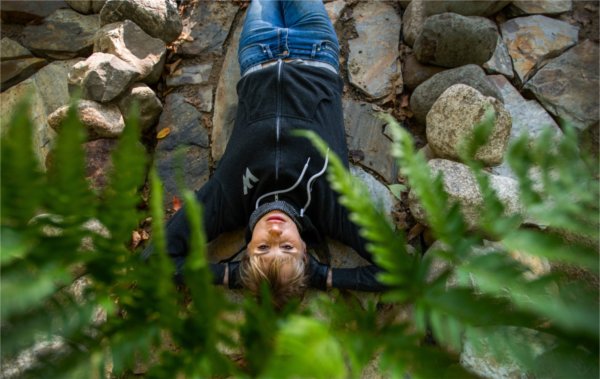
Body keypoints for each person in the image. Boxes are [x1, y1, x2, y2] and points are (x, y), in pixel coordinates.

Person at [156, 0, 386, 308]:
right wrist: (324, 277)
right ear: (305, 250)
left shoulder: (227, 204)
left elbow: (158, 259)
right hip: (315, 51)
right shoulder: (334, 207)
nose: (276, 230)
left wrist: (231, 275)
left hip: (258, 52)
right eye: (288, 248)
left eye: (264, 247)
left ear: (247, 250)